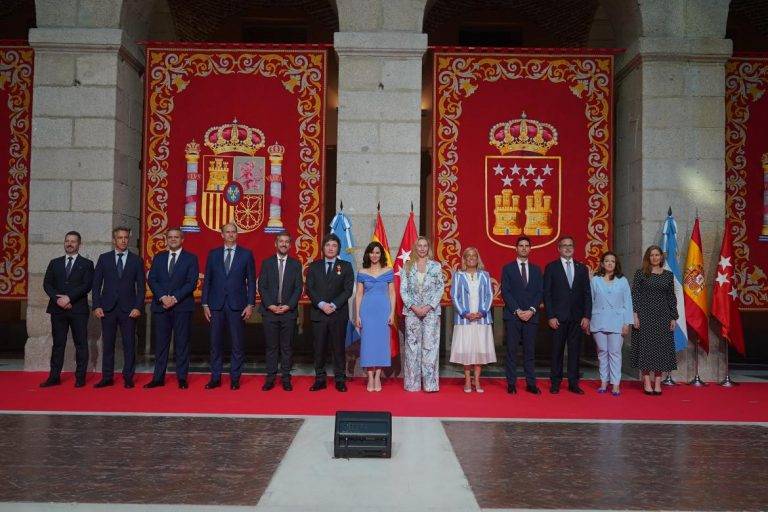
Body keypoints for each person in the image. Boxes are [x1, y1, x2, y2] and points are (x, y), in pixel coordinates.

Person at [201, 222, 256, 390]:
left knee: (237, 344)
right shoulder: (213, 254)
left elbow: (251, 282)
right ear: (222, 235)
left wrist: (250, 304)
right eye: (227, 232)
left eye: (233, 232)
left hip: (237, 305)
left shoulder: (246, 254)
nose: (231, 234)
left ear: (237, 235)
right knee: (215, 344)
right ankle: (215, 378)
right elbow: (207, 281)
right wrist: (204, 303)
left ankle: (235, 378)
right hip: (216, 305)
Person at [145, 228, 199, 389]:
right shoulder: (159, 257)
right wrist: (163, 297)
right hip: (161, 306)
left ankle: (182, 378)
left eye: (176, 237)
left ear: (182, 239)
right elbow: (152, 279)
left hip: (182, 306)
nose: (173, 239)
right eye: (170, 237)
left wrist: (174, 298)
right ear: (166, 239)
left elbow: (191, 283)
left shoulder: (191, 258)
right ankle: (158, 378)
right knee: (161, 344)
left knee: (182, 343)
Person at [92, 226, 145, 389]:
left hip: (129, 309)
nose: (123, 240)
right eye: (120, 238)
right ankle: (107, 377)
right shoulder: (104, 258)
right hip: (107, 308)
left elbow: (141, 287)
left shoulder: (136, 260)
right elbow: (96, 285)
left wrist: (138, 307)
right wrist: (96, 306)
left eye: (125, 238)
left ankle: (128, 377)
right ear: (114, 240)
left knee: (129, 344)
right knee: (108, 344)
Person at [40, 231, 94, 388]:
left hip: (78, 310)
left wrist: (69, 298)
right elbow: (47, 284)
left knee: (81, 344)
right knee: (58, 344)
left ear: (79, 244)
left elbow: (86, 285)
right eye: (67, 241)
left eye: (73, 241)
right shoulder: (54, 262)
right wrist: (58, 300)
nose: (69, 244)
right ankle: (54, 376)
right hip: (58, 310)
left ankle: (80, 377)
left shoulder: (87, 264)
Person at [543, 235, 592, 394]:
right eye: (564, 245)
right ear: (558, 249)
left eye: (570, 245)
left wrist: (587, 316)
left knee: (575, 352)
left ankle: (573, 383)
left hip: (577, 319)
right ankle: (555, 383)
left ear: (574, 248)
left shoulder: (581, 268)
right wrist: (550, 316)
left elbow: (587, 294)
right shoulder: (552, 267)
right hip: (558, 318)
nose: (568, 248)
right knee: (557, 351)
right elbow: (547, 294)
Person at [306, 233, 354, 392]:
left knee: (338, 348)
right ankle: (320, 379)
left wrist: (333, 305)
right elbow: (310, 289)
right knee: (319, 348)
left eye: (334, 246)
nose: (331, 248)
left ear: (338, 248)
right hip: (319, 314)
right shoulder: (314, 266)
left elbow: (347, 290)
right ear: (323, 248)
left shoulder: (346, 266)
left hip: (338, 314)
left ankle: (340, 378)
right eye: (328, 245)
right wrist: (321, 304)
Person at [630, 245, 678, 396]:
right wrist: (635, 315)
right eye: (652, 255)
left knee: (660, 349)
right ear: (648, 257)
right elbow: (635, 295)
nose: (655, 257)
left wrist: (673, 317)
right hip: (644, 316)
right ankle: (646, 381)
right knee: (646, 348)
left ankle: (657, 382)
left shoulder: (668, 276)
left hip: (663, 316)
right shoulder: (641, 274)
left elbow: (671, 297)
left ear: (661, 257)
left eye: (657, 255)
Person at [258, 232, 303, 391]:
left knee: (286, 347)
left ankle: (286, 378)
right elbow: (262, 286)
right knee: (271, 347)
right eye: (281, 242)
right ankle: (270, 378)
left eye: (286, 242)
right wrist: (270, 305)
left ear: (290, 245)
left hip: (288, 312)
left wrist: (289, 306)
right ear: (275, 244)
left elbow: (298, 288)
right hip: (269, 312)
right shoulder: (267, 263)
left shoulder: (296, 264)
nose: (283, 244)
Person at [401, 236, 444, 392]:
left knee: (430, 347)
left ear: (428, 248)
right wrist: (414, 307)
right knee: (412, 348)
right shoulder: (407, 266)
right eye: (419, 245)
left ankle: (430, 384)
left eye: (425, 246)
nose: (422, 248)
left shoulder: (436, 266)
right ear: (415, 248)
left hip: (431, 313)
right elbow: (403, 290)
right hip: (412, 313)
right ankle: (412, 384)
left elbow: (440, 289)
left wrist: (427, 307)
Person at [449, 246, 495, 393]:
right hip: (465, 320)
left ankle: (478, 381)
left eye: (474, 255)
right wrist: (465, 313)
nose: (471, 258)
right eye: (468, 256)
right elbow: (454, 296)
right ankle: (468, 381)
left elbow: (489, 295)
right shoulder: (458, 275)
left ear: (477, 258)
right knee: (467, 350)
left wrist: (482, 312)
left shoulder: (485, 275)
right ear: (464, 259)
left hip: (481, 319)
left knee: (479, 350)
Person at [501, 236, 543, 395]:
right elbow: (506, 291)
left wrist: (531, 310)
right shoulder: (508, 268)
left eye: (527, 246)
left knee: (530, 352)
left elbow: (540, 292)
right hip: (513, 316)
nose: (524, 248)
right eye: (521, 245)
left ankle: (531, 383)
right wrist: (518, 311)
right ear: (516, 248)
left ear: (530, 249)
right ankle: (511, 383)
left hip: (531, 317)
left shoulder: (537, 269)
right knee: (511, 351)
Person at [590, 251, 633, 396]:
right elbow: (590, 301)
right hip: (599, 320)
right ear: (602, 263)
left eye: (612, 261)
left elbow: (628, 303)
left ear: (616, 264)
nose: (609, 263)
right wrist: (588, 320)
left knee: (615, 353)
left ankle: (615, 384)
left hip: (617, 321)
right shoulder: (595, 280)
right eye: (607, 261)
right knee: (602, 352)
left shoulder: (622, 280)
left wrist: (627, 323)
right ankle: (603, 382)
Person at [354, 241, 395, 392]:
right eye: (372, 252)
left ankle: (378, 376)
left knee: (381, 345)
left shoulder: (388, 270)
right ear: (368, 254)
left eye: (377, 252)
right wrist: (357, 315)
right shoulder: (362, 272)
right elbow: (359, 294)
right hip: (367, 312)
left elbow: (392, 293)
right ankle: (369, 376)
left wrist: (392, 312)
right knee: (368, 345)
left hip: (383, 311)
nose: (374, 255)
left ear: (381, 254)